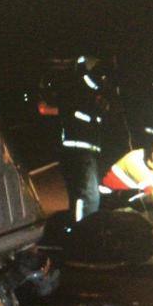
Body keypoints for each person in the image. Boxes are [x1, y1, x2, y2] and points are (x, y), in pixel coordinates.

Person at [58, 56, 107, 221]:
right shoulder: (81, 90)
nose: (101, 77)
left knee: (83, 195)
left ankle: (79, 231)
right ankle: (83, 234)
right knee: (88, 197)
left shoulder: (81, 90)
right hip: (80, 152)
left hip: (81, 151)